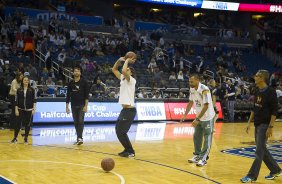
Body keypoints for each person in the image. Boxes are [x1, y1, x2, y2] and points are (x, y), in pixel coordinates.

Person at [240, 70, 282, 183]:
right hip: (257, 123)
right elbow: (255, 108)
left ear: (262, 78)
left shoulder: (271, 92)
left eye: (257, 75)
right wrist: (249, 122)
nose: (255, 76)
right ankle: (275, 170)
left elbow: (274, 111)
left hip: (265, 125)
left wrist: (271, 127)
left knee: (259, 151)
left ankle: (251, 176)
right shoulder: (257, 90)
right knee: (262, 149)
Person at [180, 74, 215, 167]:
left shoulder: (204, 89)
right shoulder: (192, 89)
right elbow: (191, 102)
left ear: (197, 80)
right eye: (189, 81)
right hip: (199, 117)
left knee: (207, 137)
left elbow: (206, 106)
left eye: (191, 81)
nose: (189, 83)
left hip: (207, 117)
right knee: (197, 136)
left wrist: (197, 119)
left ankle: (204, 158)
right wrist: (185, 114)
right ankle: (197, 155)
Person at [112, 51, 137, 157]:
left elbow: (123, 70)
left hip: (129, 110)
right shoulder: (123, 79)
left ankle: (130, 151)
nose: (126, 69)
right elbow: (114, 69)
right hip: (125, 110)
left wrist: (127, 60)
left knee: (121, 131)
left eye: (128, 69)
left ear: (131, 73)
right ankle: (127, 149)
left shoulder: (131, 80)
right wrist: (118, 61)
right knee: (118, 130)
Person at [66, 66, 89, 145]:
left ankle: (80, 138)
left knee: (80, 121)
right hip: (73, 105)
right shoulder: (70, 83)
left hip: (82, 105)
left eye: (78, 71)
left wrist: (86, 106)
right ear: (73, 73)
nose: (76, 72)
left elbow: (86, 95)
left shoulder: (84, 82)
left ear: (80, 73)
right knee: (76, 122)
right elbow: (68, 95)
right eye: (75, 71)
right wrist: (67, 107)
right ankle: (78, 138)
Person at [11, 76, 36, 144]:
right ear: (22, 81)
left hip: (29, 109)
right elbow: (16, 100)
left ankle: (26, 138)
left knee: (27, 125)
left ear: (28, 81)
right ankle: (15, 138)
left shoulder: (32, 90)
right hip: (20, 109)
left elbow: (34, 100)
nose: (26, 81)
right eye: (24, 80)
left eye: (27, 80)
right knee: (18, 124)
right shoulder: (19, 89)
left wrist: (34, 108)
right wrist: (16, 109)